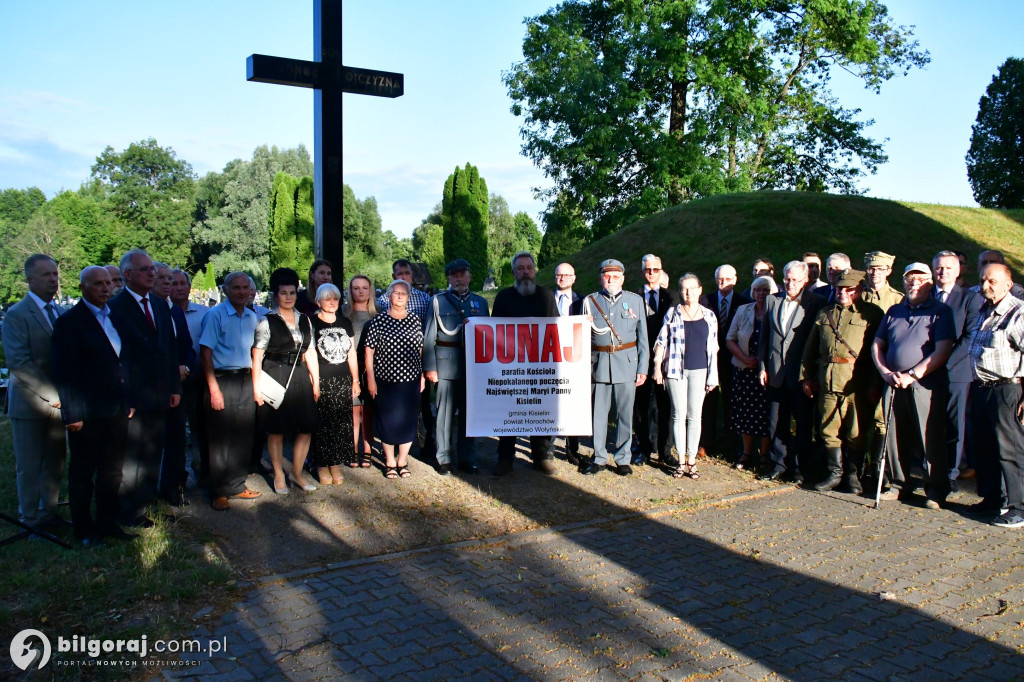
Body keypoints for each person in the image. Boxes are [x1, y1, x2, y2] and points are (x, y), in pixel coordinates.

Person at [52, 266, 133, 546]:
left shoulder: (115, 317)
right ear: (83, 287)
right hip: (86, 413)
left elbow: (123, 362)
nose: (105, 288)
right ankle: (84, 529)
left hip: (116, 408)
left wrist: (128, 399)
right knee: (83, 473)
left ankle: (108, 523)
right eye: (98, 284)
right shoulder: (70, 323)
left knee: (113, 471)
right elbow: (66, 373)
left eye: (108, 283)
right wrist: (71, 413)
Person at [108, 249, 181, 527]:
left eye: (153, 268)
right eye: (146, 270)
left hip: (162, 392)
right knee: (133, 456)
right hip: (134, 396)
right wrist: (124, 397)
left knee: (153, 451)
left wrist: (174, 387)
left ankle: (147, 501)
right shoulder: (115, 308)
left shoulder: (161, 305)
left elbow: (169, 350)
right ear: (127, 275)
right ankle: (128, 509)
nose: (152, 273)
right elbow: (116, 357)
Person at [871, 262, 954, 509]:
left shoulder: (941, 311)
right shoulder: (894, 311)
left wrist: (913, 375)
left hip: (925, 385)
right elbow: (877, 344)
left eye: (919, 279)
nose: (913, 284)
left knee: (929, 436)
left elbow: (943, 351)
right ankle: (899, 484)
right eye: (909, 279)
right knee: (895, 436)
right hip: (893, 383)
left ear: (930, 282)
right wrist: (884, 371)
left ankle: (936, 490)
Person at [800, 269, 883, 493]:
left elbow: (878, 354)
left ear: (860, 290)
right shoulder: (824, 313)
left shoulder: (872, 315)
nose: (843, 293)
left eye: (849, 289)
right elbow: (810, 349)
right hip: (827, 380)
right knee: (828, 429)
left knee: (855, 431)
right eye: (839, 289)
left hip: (855, 383)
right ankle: (834, 474)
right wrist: (806, 376)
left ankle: (853, 475)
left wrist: (875, 384)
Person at [2, 254, 67, 530]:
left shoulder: (59, 312)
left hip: (60, 402)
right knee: (29, 465)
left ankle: (49, 512)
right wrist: (51, 395)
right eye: (46, 275)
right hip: (30, 403)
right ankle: (28, 518)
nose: (53, 280)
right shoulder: (17, 314)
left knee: (55, 460)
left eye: (55, 274)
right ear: (29, 279)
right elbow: (19, 362)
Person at [252, 268, 320, 494]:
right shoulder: (266, 321)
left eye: (292, 292)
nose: (289, 297)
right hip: (275, 373)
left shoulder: (305, 320)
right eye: (284, 293)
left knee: (306, 426)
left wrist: (316, 382)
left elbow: (310, 352)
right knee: (276, 429)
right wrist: (256, 389)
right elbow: (257, 356)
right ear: (276, 295)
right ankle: (279, 474)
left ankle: (297, 473)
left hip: (300, 374)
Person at [198, 272, 263, 511]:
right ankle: (218, 491)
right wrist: (214, 389)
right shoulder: (214, 316)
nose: (242, 292)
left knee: (242, 435)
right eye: (236, 288)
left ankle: (236, 484)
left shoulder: (251, 317)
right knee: (219, 439)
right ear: (226, 290)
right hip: (222, 380)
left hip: (245, 380)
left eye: (246, 287)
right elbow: (205, 353)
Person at [492, 251, 559, 476]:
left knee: (539, 410)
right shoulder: (503, 297)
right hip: (510, 368)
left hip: (539, 368)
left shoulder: (546, 296)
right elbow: (492, 334)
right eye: (520, 269)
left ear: (534, 271)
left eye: (528, 268)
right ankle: (505, 457)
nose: (525, 272)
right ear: (513, 272)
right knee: (508, 411)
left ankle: (541, 456)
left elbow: (558, 329)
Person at [758, 260, 825, 483]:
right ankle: (779, 464)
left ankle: (800, 467)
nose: (790, 284)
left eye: (795, 280)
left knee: (803, 423)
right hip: (775, 372)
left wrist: (810, 375)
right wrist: (762, 367)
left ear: (805, 280)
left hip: (800, 375)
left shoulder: (816, 303)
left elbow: (816, 343)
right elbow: (764, 338)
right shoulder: (772, 300)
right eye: (787, 279)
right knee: (776, 422)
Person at [967, 263, 1024, 527]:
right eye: (982, 280)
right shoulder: (985, 311)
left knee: (1010, 450)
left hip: (1006, 388)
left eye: (991, 281)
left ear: (1007, 285)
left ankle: (1018, 507)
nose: (985, 285)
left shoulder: (1017, 312)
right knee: (984, 447)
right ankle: (992, 499)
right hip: (982, 387)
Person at [580, 259, 649, 477]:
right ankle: (599, 456)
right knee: (599, 414)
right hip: (599, 363)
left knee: (624, 414)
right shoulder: (590, 301)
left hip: (626, 363)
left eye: (615, 276)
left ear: (623, 278)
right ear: (601, 278)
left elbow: (643, 338)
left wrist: (643, 366)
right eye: (607, 275)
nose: (611, 279)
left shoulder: (636, 301)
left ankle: (622, 457)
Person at [423, 259, 491, 475]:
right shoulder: (437, 301)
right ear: (449, 279)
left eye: (462, 274)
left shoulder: (480, 303)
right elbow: (428, 337)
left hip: (473, 367)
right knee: (444, 414)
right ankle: (443, 458)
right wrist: (430, 367)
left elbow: (488, 338)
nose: (459, 279)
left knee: (470, 414)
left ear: (469, 276)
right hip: (445, 365)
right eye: (454, 276)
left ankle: (468, 458)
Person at [652, 273, 718, 479]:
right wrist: (656, 366)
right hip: (674, 370)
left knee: (695, 415)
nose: (687, 292)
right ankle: (680, 460)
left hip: (700, 371)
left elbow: (713, 349)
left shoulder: (709, 316)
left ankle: (692, 460)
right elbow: (661, 341)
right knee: (678, 414)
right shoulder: (673, 313)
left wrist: (713, 376)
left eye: (691, 288)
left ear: (700, 290)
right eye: (683, 289)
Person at [931, 251, 982, 491]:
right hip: (925, 372)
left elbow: (971, 336)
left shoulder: (969, 299)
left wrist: (944, 361)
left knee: (954, 425)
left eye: (949, 268)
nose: (943, 272)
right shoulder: (925, 295)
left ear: (958, 271)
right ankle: (929, 469)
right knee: (930, 423)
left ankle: (952, 473)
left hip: (956, 373)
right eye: (939, 267)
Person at [364, 279, 425, 479]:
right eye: (396, 292)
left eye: (403, 293)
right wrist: (371, 380)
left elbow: (420, 350)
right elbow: (369, 352)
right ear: (389, 296)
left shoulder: (415, 320)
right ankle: (390, 461)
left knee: (408, 420)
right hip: (385, 380)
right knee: (387, 420)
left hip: (411, 380)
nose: (399, 296)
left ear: (408, 297)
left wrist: (422, 374)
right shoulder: (378, 321)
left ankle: (403, 460)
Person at [698, 263, 750, 459]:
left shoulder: (743, 302)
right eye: (720, 278)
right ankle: (706, 442)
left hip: (734, 358)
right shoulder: (706, 300)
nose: (723, 282)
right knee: (708, 401)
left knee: (732, 401)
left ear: (735, 280)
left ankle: (731, 444)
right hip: (710, 357)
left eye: (728, 279)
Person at [309, 283, 358, 485]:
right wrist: (314, 383)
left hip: (343, 378)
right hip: (322, 379)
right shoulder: (312, 322)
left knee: (340, 423)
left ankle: (335, 463)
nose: (332, 303)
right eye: (327, 299)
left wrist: (355, 380)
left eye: (335, 299)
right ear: (318, 301)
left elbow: (351, 352)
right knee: (322, 424)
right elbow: (309, 354)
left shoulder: (345, 322)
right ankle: (321, 464)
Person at [727, 276, 777, 471]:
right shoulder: (742, 310)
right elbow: (730, 339)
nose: (761, 294)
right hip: (744, 370)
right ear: (752, 292)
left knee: (765, 413)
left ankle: (764, 455)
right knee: (745, 412)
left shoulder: (775, 311)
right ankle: (747, 452)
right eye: (758, 290)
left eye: (765, 290)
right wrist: (745, 358)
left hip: (767, 372)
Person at [154, 262, 194, 507]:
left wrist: (186, 368)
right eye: (164, 279)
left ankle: (174, 489)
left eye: (172, 279)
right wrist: (172, 370)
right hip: (156, 386)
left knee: (176, 440)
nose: (168, 284)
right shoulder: (149, 310)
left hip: (179, 385)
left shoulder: (175, 311)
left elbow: (186, 347)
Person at [633, 254, 678, 467]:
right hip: (640, 359)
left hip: (667, 360)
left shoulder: (673, 297)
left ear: (661, 271)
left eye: (656, 270)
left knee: (665, 406)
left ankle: (665, 450)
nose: (652, 273)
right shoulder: (633, 297)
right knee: (641, 407)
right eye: (648, 270)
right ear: (642, 272)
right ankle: (642, 449)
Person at [171, 269, 209, 485]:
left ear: (189, 286)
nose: (178, 287)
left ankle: (202, 472)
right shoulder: (163, 311)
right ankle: (175, 479)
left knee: (200, 429)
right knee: (175, 432)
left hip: (199, 378)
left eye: (182, 283)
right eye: (173, 283)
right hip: (173, 381)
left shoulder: (205, 313)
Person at [344, 275, 377, 467]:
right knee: (354, 411)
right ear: (350, 290)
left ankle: (367, 449)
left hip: (371, 368)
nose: (360, 291)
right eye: (356, 288)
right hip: (350, 366)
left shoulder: (377, 313)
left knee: (369, 411)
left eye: (364, 287)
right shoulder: (343, 313)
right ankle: (353, 449)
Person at [553, 262, 584, 464]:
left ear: (574, 278)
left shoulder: (585, 301)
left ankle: (572, 449)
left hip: (575, 361)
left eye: (567, 275)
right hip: (550, 360)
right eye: (559, 275)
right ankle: (546, 447)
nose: (563, 278)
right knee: (550, 403)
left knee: (573, 404)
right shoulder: (545, 299)